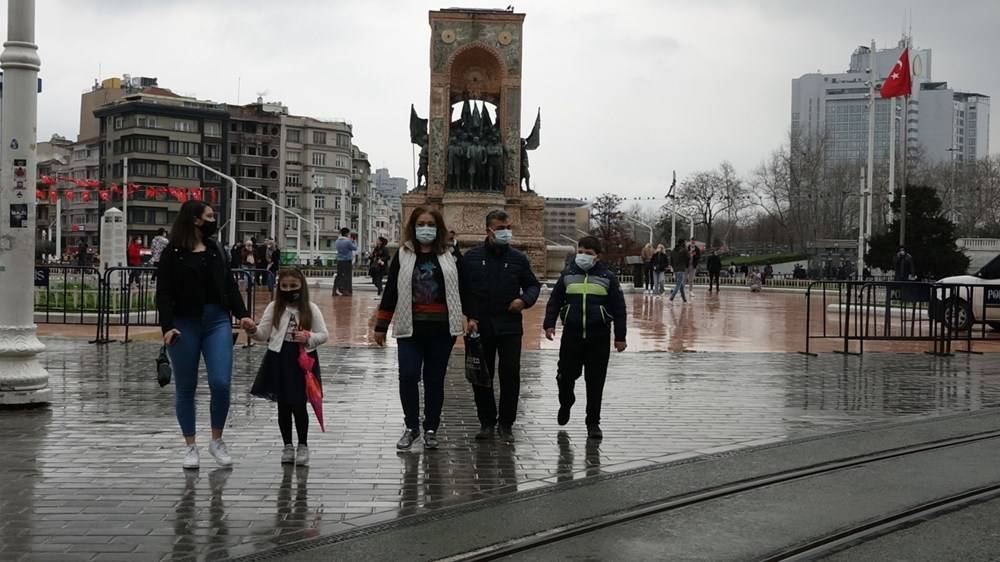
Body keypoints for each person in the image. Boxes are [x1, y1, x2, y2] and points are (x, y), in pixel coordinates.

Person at [156, 200, 257, 470]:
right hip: (183, 324)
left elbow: (229, 285)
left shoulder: (216, 250)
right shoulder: (172, 253)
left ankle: (217, 440)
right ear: (195, 220)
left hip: (217, 322)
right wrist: (167, 328)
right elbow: (163, 293)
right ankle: (190, 446)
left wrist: (243, 314)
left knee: (221, 382)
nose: (214, 220)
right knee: (186, 387)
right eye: (209, 216)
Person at [374, 207, 466, 451]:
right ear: (414, 227)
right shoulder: (404, 254)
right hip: (410, 328)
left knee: (434, 380)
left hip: (441, 330)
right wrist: (381, 326)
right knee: (408, 374)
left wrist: (471, 316)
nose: (426, 228)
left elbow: (464, 286)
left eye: (431, 223)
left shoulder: (450, 253)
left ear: (439, 228)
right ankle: (411, 426)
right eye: (421, 223)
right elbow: (391, 290)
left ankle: (431, 428)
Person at [462, 210, 542, 443]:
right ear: (488, 230)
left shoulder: (517, 258)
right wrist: (471, 316)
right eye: (500, 228)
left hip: (509, 326)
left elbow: (532, 286)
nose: (506, 232)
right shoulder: (472, 257)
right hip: (481, 325)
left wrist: (524, 300)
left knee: (510, 375)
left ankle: (506, 424)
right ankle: (487, 422)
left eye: (508, 227)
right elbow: (464, 290)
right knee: (481, 376)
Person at [544, 236, 627, 440]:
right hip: (571, 336)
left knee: (595, 381)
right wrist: (549, 324)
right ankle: (566, 401)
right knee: (564, 376)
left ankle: (593, 423)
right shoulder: (568, 275)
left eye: (588, 253)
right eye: (581, 251)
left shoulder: (608, 277)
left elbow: (619, 309)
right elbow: (555, 300)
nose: (583, 256)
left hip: (598, 337)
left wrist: (620, 337)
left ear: (597, 256)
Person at [249, 268, 329, 467]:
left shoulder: (310, 308)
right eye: (284, 286)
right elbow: (262, 333)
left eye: (293, 286)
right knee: (283, 405)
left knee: (299, 405)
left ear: (301, 286)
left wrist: (309, 337)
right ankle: (287, 445)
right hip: (278, 358)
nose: (289, 290)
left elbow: (324, 334)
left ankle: (303, 444)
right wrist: (252, 330)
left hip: (302, 361)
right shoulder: (274, 307)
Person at [334, 228, 357, 296]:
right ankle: (346, 291)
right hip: (347, 260)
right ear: (347, 233)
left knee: (339, 275)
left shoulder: (337, 241)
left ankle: (335, 290)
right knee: (347, 276)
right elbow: (355, 248)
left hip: (339, 260)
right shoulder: (348, 241)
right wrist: (354, 241)